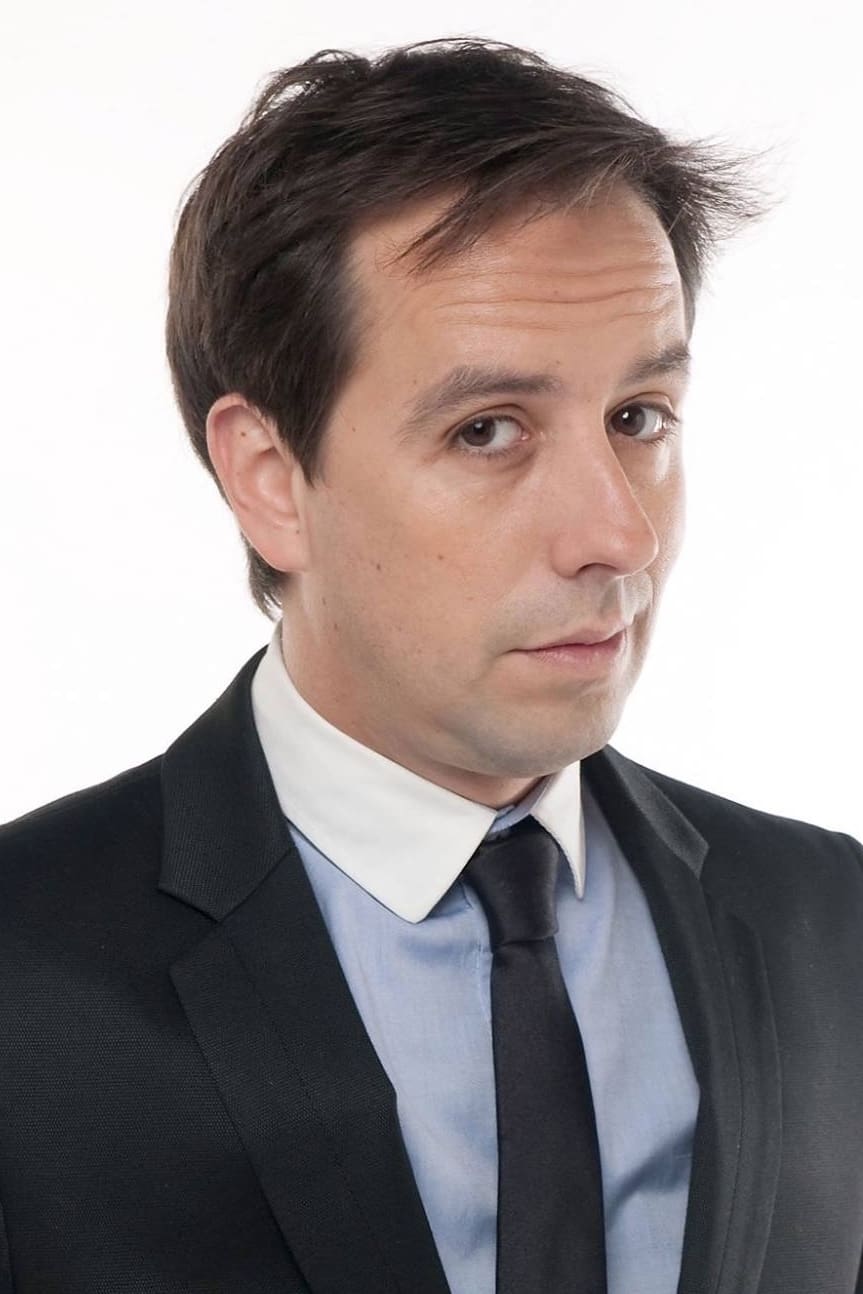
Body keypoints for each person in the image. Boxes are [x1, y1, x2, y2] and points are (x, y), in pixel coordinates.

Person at [0, 36, 860, 1294]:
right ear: (269, 479)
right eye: (487, 430)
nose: (617, 534)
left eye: (637, 418)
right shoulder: (22, 967)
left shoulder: (827, 919)